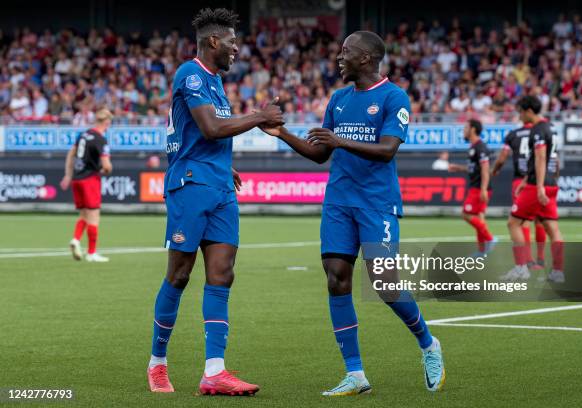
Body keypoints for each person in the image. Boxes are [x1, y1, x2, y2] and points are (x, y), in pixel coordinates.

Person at [260, 30, 445, 396]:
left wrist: (339, 140)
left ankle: (428, 343)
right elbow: (319, 153)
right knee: (336, 278)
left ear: (365, 58)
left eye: (346, 52)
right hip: (339, 202)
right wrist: (282, 134)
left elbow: (388, 149)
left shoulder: (394, 97)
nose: (339, 57)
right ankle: (355, 373)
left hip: (377, 203)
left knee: (384, 282)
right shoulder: (339, 99)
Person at [146, 8, 284, 395]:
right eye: (232, 42)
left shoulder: (216, 83)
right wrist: (259, 116)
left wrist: (227, 165)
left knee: (222, 274)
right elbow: (209, 127)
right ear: (212, 41)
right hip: (190, 185)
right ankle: (157, 363)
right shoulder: (190, 74)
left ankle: (214, 372)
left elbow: (210, 134)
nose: (236, 48)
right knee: (180, 274)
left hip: (219, 186)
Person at [502, 96, 564, 283]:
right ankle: (558, 272)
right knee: (553, 229)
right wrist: (532, 180)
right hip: (550, 183)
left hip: (539, 185)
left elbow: (540, 158)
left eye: (520, 111)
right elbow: (554, 160)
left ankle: (521, 268)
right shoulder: (551, 127)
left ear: (529, 111)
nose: (519, 116)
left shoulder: (537, 130)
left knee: (513, 223)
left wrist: (538, 186)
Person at [60, 108, 113, 262]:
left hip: (77, 179)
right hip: (90, 179)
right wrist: (107, 169)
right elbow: (107, 165)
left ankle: (76, 240)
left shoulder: (83, 135)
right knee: (94, 215)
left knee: (84, 213)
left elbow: (71, 154)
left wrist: (68, 175)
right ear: (106, 122)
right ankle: (91, 253)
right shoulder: (100, 139)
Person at [492, 122, 547, 269]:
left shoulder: (513, 134)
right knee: (540, 220)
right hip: (539, 179)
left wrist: (496, 169)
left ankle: (528, 260)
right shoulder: (541, 132)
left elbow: (503, 156)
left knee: (522, 221)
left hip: (520, 181)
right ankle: (540, 259)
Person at [448, 119, 496, 256]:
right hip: (477, 186)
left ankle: (490, 239)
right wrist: (458, 168)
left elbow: (485, 170)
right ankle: (482, 251)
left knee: (466, 214)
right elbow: (474, 169)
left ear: (473, 129)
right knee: (478, 217)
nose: (464, 130)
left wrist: (483, 189)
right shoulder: (473, 147)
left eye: (466, 127)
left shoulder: (480, 148)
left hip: (478, 188)